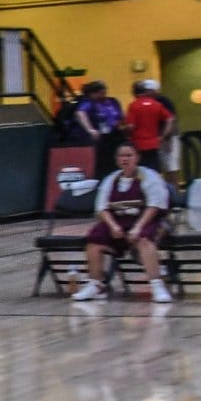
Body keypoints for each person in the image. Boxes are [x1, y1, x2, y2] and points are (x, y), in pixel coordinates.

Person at [70, 141, 172, 303]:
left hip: (147, 220)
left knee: (144, 239)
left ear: (137, 158)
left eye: (129, 155)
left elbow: (154, 205)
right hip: (119, 222)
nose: (125, 159)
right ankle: (95, 285)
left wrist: (138, 227)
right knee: (94, 240)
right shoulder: (111, 180)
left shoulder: (149, 177)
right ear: (117, 159)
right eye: (121, 156)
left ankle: (157, 285)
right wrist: (113, 226)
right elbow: (102, 208)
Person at [124, 78, 172, 170]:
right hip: (154, 143)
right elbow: (169, 119)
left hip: (138, 143)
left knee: (141, 170)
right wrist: (163, 135)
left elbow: (131, 126)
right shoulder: (157, 104)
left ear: (134, 92)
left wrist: (124, 130)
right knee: (154, 169)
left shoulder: (134, 105)